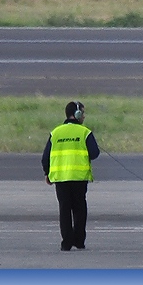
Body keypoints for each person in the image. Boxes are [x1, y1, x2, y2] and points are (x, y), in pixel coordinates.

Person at [42, 100, 100, 251]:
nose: (84, 116)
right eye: (83, 113)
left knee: (64, 209)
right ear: (77, 114)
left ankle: (66, 243)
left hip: (60, 179)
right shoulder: (85, 132)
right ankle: (79, 241)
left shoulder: (55, 133)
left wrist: (47, 173)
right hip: (79, 177)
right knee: (80, 209)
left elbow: (45, 157)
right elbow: (95, 153)